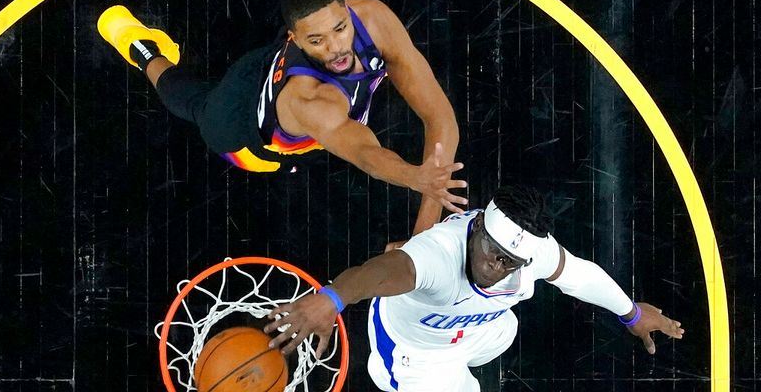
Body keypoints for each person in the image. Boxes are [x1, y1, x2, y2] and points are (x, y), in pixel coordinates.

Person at [97, 0, 465, 239]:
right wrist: (418, 180)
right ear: (296, 39)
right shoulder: (311, 101)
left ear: (347, 13)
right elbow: (367, 153)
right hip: (239, 129)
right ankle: (142, 50)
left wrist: (422, 240)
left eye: (340, 28)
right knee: (194, 104)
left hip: (269, 70)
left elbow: (439, 116)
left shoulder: (372, 18)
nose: (336, 48)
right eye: (317, 40)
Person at [263, 185, 685, 392]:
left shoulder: (530, 253)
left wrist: (631, 313)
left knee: (508, 329)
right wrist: (331, 298)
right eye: (494, 253)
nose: (498, 266)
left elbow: (580, 275)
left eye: (510, 262)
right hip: (418, 353)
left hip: (482, 331)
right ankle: (393, 375)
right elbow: (375, 273)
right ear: (478, 224)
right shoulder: (438, 256)